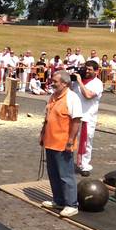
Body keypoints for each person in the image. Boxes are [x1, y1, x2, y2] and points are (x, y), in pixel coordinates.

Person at [39, 71, 83, 217]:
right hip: (50, 141)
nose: (52, 83)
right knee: (53, 173)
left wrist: (70, 141)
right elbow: (47, 117)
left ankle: (71, 204)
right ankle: (58, 200)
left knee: (65, 174)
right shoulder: (53, 96)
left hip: (63, 143)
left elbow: (76, 121)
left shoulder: (72, 98)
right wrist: (42, 134)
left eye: (55, 81)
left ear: (64, 83)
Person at [71, 61, 103, 177]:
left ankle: (84, 165)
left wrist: (79, 82)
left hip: (87, 116)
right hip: (74, 115)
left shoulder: (97, 83)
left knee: (86, 142)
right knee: (70, 139)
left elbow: (88, 95)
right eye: (86, 69)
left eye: (89, 69)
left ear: (96, 71)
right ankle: (67, 161)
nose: (87, 71)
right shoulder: (76, 82)